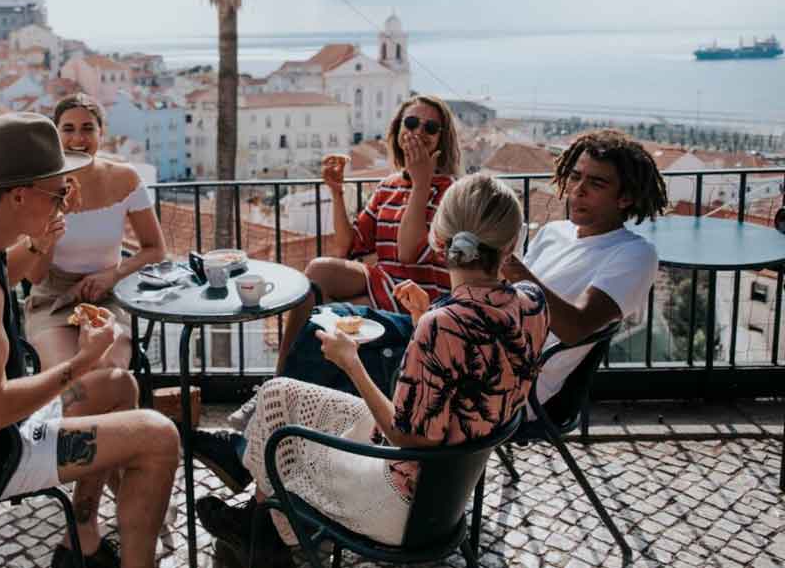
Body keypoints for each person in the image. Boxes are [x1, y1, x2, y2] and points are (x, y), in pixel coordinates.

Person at [197, 174, 549, 566]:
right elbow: (472, 370)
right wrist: (422, 319)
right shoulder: (533, 303)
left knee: (283, 437)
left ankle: (263, 534)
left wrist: (351, 362)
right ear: (511, 245)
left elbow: (404, 435)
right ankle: (259, 526)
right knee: (280, 393)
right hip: (451, 488)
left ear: (438, 238)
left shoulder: (443, 325)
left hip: (405, 507)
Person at [0, 113, 179, 568]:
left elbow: (6, 273)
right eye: (58, 193)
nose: (65, 202)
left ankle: (82, 536)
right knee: (160, 437)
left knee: (119, 385)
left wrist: (40, 239)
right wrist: (82, 359)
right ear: (19, 195)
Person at [225, 95, 461, 431]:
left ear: (442, 138)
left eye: (430, 127)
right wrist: (336, 192)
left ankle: (277, 402)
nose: (419, 132)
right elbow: (347, 247)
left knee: (324, 316)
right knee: (317, 272)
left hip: (418, 300)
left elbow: (409, 254)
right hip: (383, 284)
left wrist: (422, 183)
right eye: (411, 123)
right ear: (397, 130)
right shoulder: (389, 186)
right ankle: (275, 387)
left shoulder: (449, 191)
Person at [502, 129, 666, 409]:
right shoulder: (553, 232)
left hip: (521, 387)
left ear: (625, 197)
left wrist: (510, 264)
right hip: (491, 351)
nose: (579, 189)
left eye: (597, 183)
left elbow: (575, 328)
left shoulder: (635, 254)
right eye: (575, 177)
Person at [19, 93, 167, 374]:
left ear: (101, 133)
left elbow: (155, 249)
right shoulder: (38, 185)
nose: (78, 138)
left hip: (109, 295)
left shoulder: (125, 177)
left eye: (88, 128)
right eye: (68, 129)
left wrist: (112, 275)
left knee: (108, 371)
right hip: (53, 298)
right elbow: (35, 276)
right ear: (55, 135)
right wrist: (53, 214)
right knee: (65, 374)